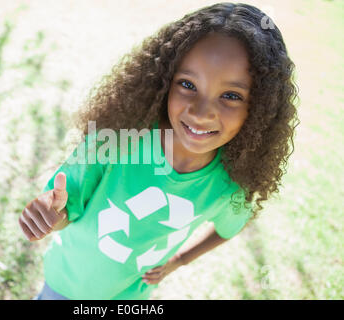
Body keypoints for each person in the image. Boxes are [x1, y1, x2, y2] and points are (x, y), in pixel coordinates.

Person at [19, 2, 299, 300]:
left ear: (258, 109)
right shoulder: (115, 140)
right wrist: (49, 214)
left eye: (230, 95)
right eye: (188, 84)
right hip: (65, 286)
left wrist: (180, 261)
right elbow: (64, 212)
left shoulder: (229, 186)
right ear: (164, 80)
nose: (202, 113)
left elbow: (229, 228)